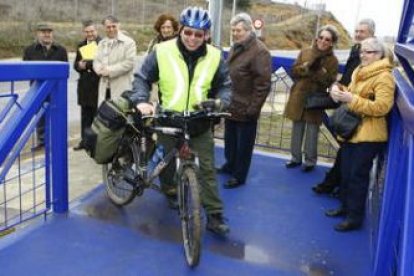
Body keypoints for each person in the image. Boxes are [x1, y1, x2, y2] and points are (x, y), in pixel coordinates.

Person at [128, 7, 231, 236]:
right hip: (169, 118)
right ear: (181, 30)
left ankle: (214, 215)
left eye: (199, 34)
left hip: (200, 121)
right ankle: (170, 190)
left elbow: (225, 85)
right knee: (166, 159)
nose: (193, 38)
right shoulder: (162, 50)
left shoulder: (215, 55)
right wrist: (141, 100)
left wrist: (220, 103)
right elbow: (142, 78)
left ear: (206, 35)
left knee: (206, 169)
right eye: (188, 32)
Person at [325, 37, 395, 232]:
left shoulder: (384, 77)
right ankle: (345, 208)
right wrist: (338, 91)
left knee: (357, 176)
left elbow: (382, 107)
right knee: (346, 173)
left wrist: (352, 99)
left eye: (369, 52)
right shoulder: (359, 71)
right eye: (362, 51)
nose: (363, 55)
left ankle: (354, 218)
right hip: (352, 131)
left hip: (369, 136)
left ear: (380, 54)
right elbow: (352, 92)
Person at [312, 19, 376, 195]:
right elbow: (348, 77)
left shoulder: (371, 56)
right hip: (347, 103)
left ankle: (334, 186)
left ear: (371, 34)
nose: (357, 34)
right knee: (345, 150)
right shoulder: (357, 50)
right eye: (356, 31)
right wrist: (337, 86)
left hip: (356, 110)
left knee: (348, 152)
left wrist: (346, 92)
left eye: (362, 32)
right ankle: (334, 184)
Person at [216, 13, 272, 189]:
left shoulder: (259, 51)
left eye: (238, 30)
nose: (234, 33)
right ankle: (230, 165)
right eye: (233, 30)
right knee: (230, 140)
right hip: (232, 104)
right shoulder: (236, 47)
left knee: (244, 146)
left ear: (249, 30)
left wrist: (253, 109)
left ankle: (239, 176)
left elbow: (263, 84)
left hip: (247, 108)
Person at [284, 25, 339, 172]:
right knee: (297, 129)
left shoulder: (333, 60)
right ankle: (295, 158)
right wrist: (306, 67)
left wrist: (320, 71)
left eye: (327, 39)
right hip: (299, 96)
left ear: (332, 42)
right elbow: (294, 71)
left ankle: (310, 161)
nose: (323, 41)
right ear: (316, 38)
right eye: (320, 37)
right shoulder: (305, 52)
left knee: (312, 132)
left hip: (316, 99)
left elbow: (329, 82)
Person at [23, 23, 68, 149]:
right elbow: (26, 70)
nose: (47, 34)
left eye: (49, 32)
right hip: (37, 89)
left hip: (56, 90)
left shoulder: (61, 50)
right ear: (37, 34)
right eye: (43, 32)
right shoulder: (29, 50)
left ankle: (57, 142)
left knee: (57, 116)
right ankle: (42, 142)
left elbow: (65, 70)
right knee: (40, 117)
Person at [93, 15, 136, 104]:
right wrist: (98, 70)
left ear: (118, 26)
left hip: (121, 88)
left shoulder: (129, 43)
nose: (111, 29)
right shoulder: (101, 43)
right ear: (104, 28)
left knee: (120, 115)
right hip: (104, 89)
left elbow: (129, 63)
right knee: (104, 116)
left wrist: (109, 70)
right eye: (108, 27)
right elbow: (96, 60)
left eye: (114, 26)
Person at [73, 20, 101, 151]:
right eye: (87, 32)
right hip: (84, 87)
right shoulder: (81, 45)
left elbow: (101, 64)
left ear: (96, 31)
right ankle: (84, 141)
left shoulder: (103, 44)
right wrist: (79, 65)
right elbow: (76, 65)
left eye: (92, 31)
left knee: (97, 116)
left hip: (98, 86)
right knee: (85, 116)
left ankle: (96, 143)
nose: (89, 34)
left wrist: (87, 64)